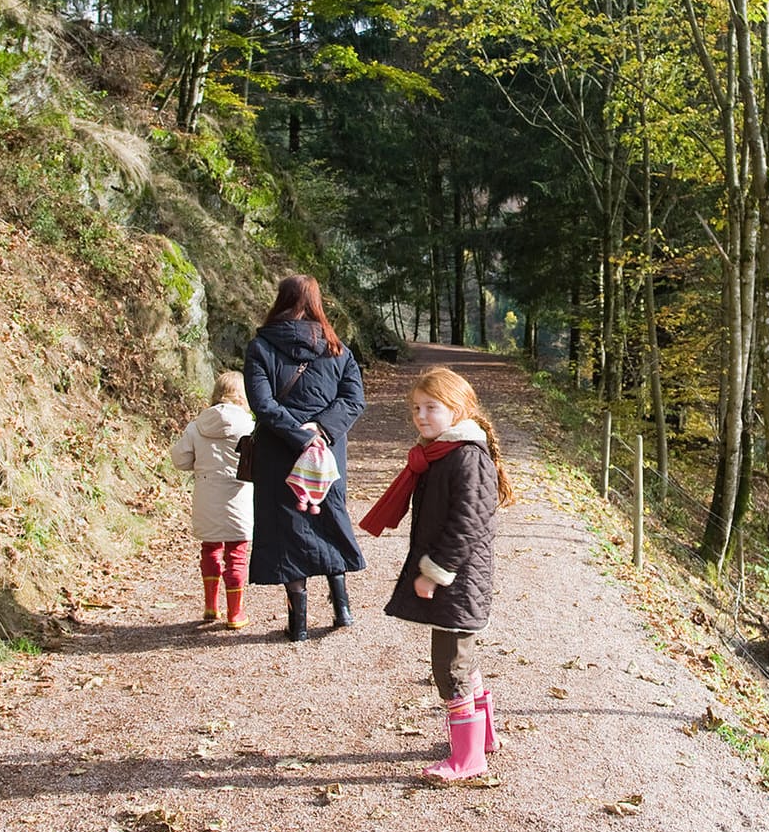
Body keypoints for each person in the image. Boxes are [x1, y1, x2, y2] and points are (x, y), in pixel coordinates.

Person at [360, 366, 515, 783]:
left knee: (449, 666)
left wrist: (435, 572)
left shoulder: (466, 457)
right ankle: (483, 739)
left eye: (432, 408)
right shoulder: (443, 453)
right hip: (458, 578)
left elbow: (466, 524)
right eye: (416, 408)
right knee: (461, 658)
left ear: (458, 409)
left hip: (459, 579)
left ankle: (467, 759)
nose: (422, 416)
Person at [243, 275, 366, 641]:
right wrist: (321, 432)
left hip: (279, 452)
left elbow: (262, 404)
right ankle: (342, 608)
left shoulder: (261, 346)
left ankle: (297, 624)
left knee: (287, 531)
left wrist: (299, 435)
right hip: (327, 453)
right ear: (317, 303)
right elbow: (353, 400)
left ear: (279, 300)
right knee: (330, 519)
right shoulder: (337, 349)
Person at [168, 372, 257, 629]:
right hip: (238, 495)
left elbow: (180, 459)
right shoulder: (249, 425)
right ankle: (235, 614)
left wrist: (202, 462)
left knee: (210, 548)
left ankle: (210, 606)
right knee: (236, 554)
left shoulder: (197, 425)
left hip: (206, 494)